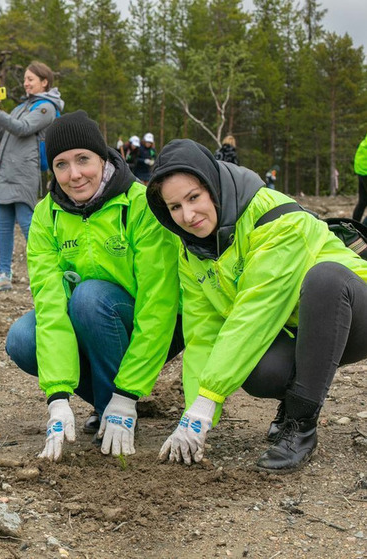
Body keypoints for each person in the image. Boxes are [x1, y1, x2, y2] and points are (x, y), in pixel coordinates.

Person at [146, 139, 367, 472]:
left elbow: (256, 311)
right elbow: (202, 332)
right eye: (175, 207)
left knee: (326, 279)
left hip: (353, 312)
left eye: (194, 197)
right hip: (299, 330)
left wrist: (209, 401)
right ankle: (293, 400)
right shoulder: (191, 250)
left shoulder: (274, 218)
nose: (188, 215)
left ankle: (301, 425)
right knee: (256, 370)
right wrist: (195, 413)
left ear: (214, 186)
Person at [5, 111, 183, 462]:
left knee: (90, 296)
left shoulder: (140, 204)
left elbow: (159, 302)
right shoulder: (46, 216)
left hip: (153, 326)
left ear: (103, 158)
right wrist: (57, 398)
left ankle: (118, 406)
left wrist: (128, 392)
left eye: (83, 159)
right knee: (24, 337)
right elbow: (51, 305)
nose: (74, 175)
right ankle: (108, 410)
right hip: (89, 322)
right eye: (61, 165)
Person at [0, 61, 65, 292]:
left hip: (24, 172)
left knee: (29, 224)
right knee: (4, 225)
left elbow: (23, 128)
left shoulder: (46, 108)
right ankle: (4, 274)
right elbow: (1, 134)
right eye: (25, 79)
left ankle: (49, 272)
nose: (25, 83)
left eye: (30, 79)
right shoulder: (22, 106)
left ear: (44, 82)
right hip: (6, 172)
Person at [353, 132, 367, 223]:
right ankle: (364, 230)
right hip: (365, 168)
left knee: (363, 201)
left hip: (361, 167)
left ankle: (352, 229)